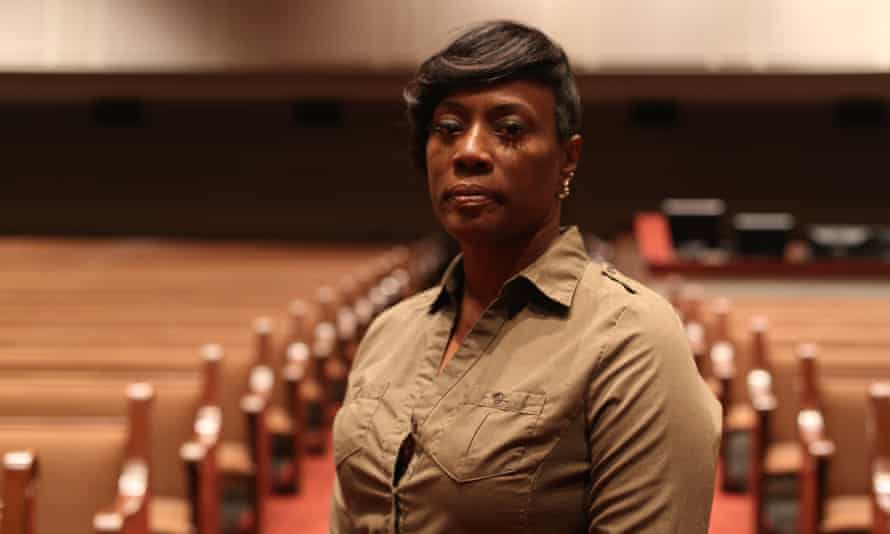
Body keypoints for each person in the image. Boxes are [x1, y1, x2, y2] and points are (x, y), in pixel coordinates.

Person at [330, 20, 721, 533]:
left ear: (567, 159)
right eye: (448, 128)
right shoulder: (389, 333)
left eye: (509, 129)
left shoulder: (629, 337)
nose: (469, 152)